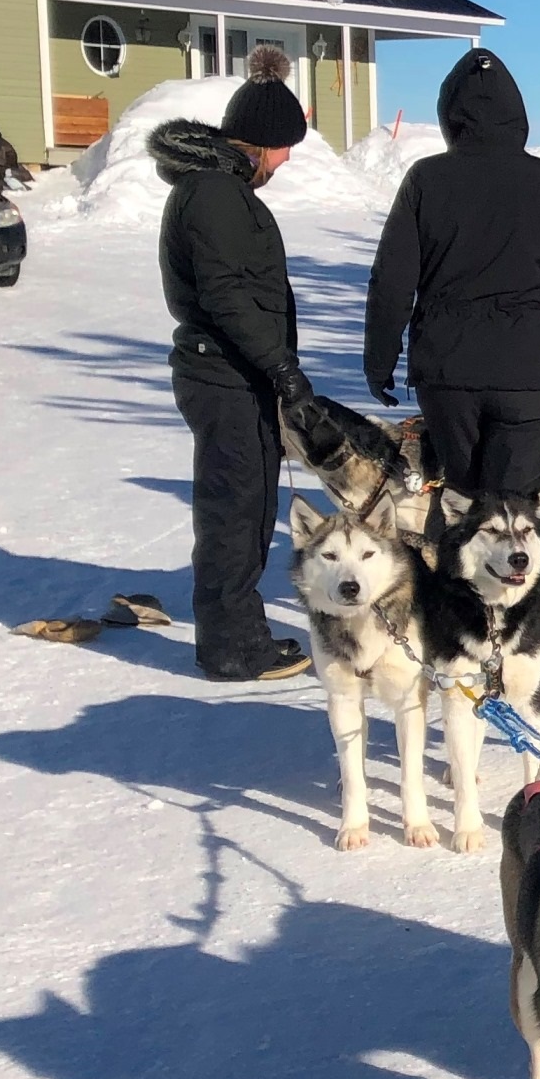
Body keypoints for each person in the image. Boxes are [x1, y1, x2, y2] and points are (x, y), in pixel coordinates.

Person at [363, 49, 540, 497]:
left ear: (449, 116)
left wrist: (379, 360)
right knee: (514, 514)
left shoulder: (426, 179)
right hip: (529, 366)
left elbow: (392, 281)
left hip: (448, 369)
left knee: (468, 502)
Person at [152, 45, 316, 682]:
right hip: (224, 373)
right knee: (233, 510)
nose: (285, 161)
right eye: (284, 149)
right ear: (263, 143)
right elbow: (226, 294)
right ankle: (230, 645)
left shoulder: (220, 189)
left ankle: (241, 627)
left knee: (249, 509)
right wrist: (281, 368)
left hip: (237, 371)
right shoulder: (215, 195)